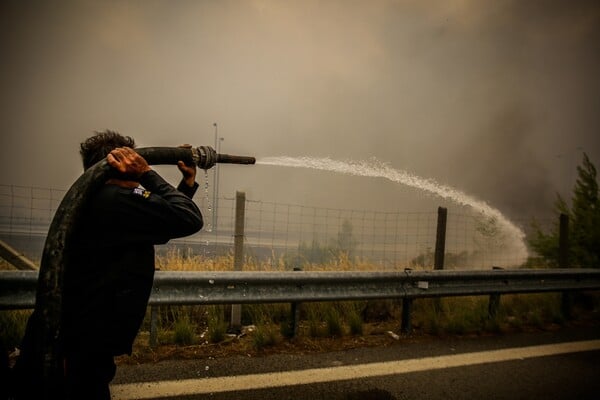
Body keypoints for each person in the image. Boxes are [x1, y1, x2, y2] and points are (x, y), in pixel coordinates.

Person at [11, 130, 204, 400]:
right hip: (74, 347)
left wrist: (186, 184)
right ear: (122, 163)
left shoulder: (105, 198)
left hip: (77, 341)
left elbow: (163, 225)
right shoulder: (115, 199)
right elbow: (188, 219)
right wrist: (148, 172)